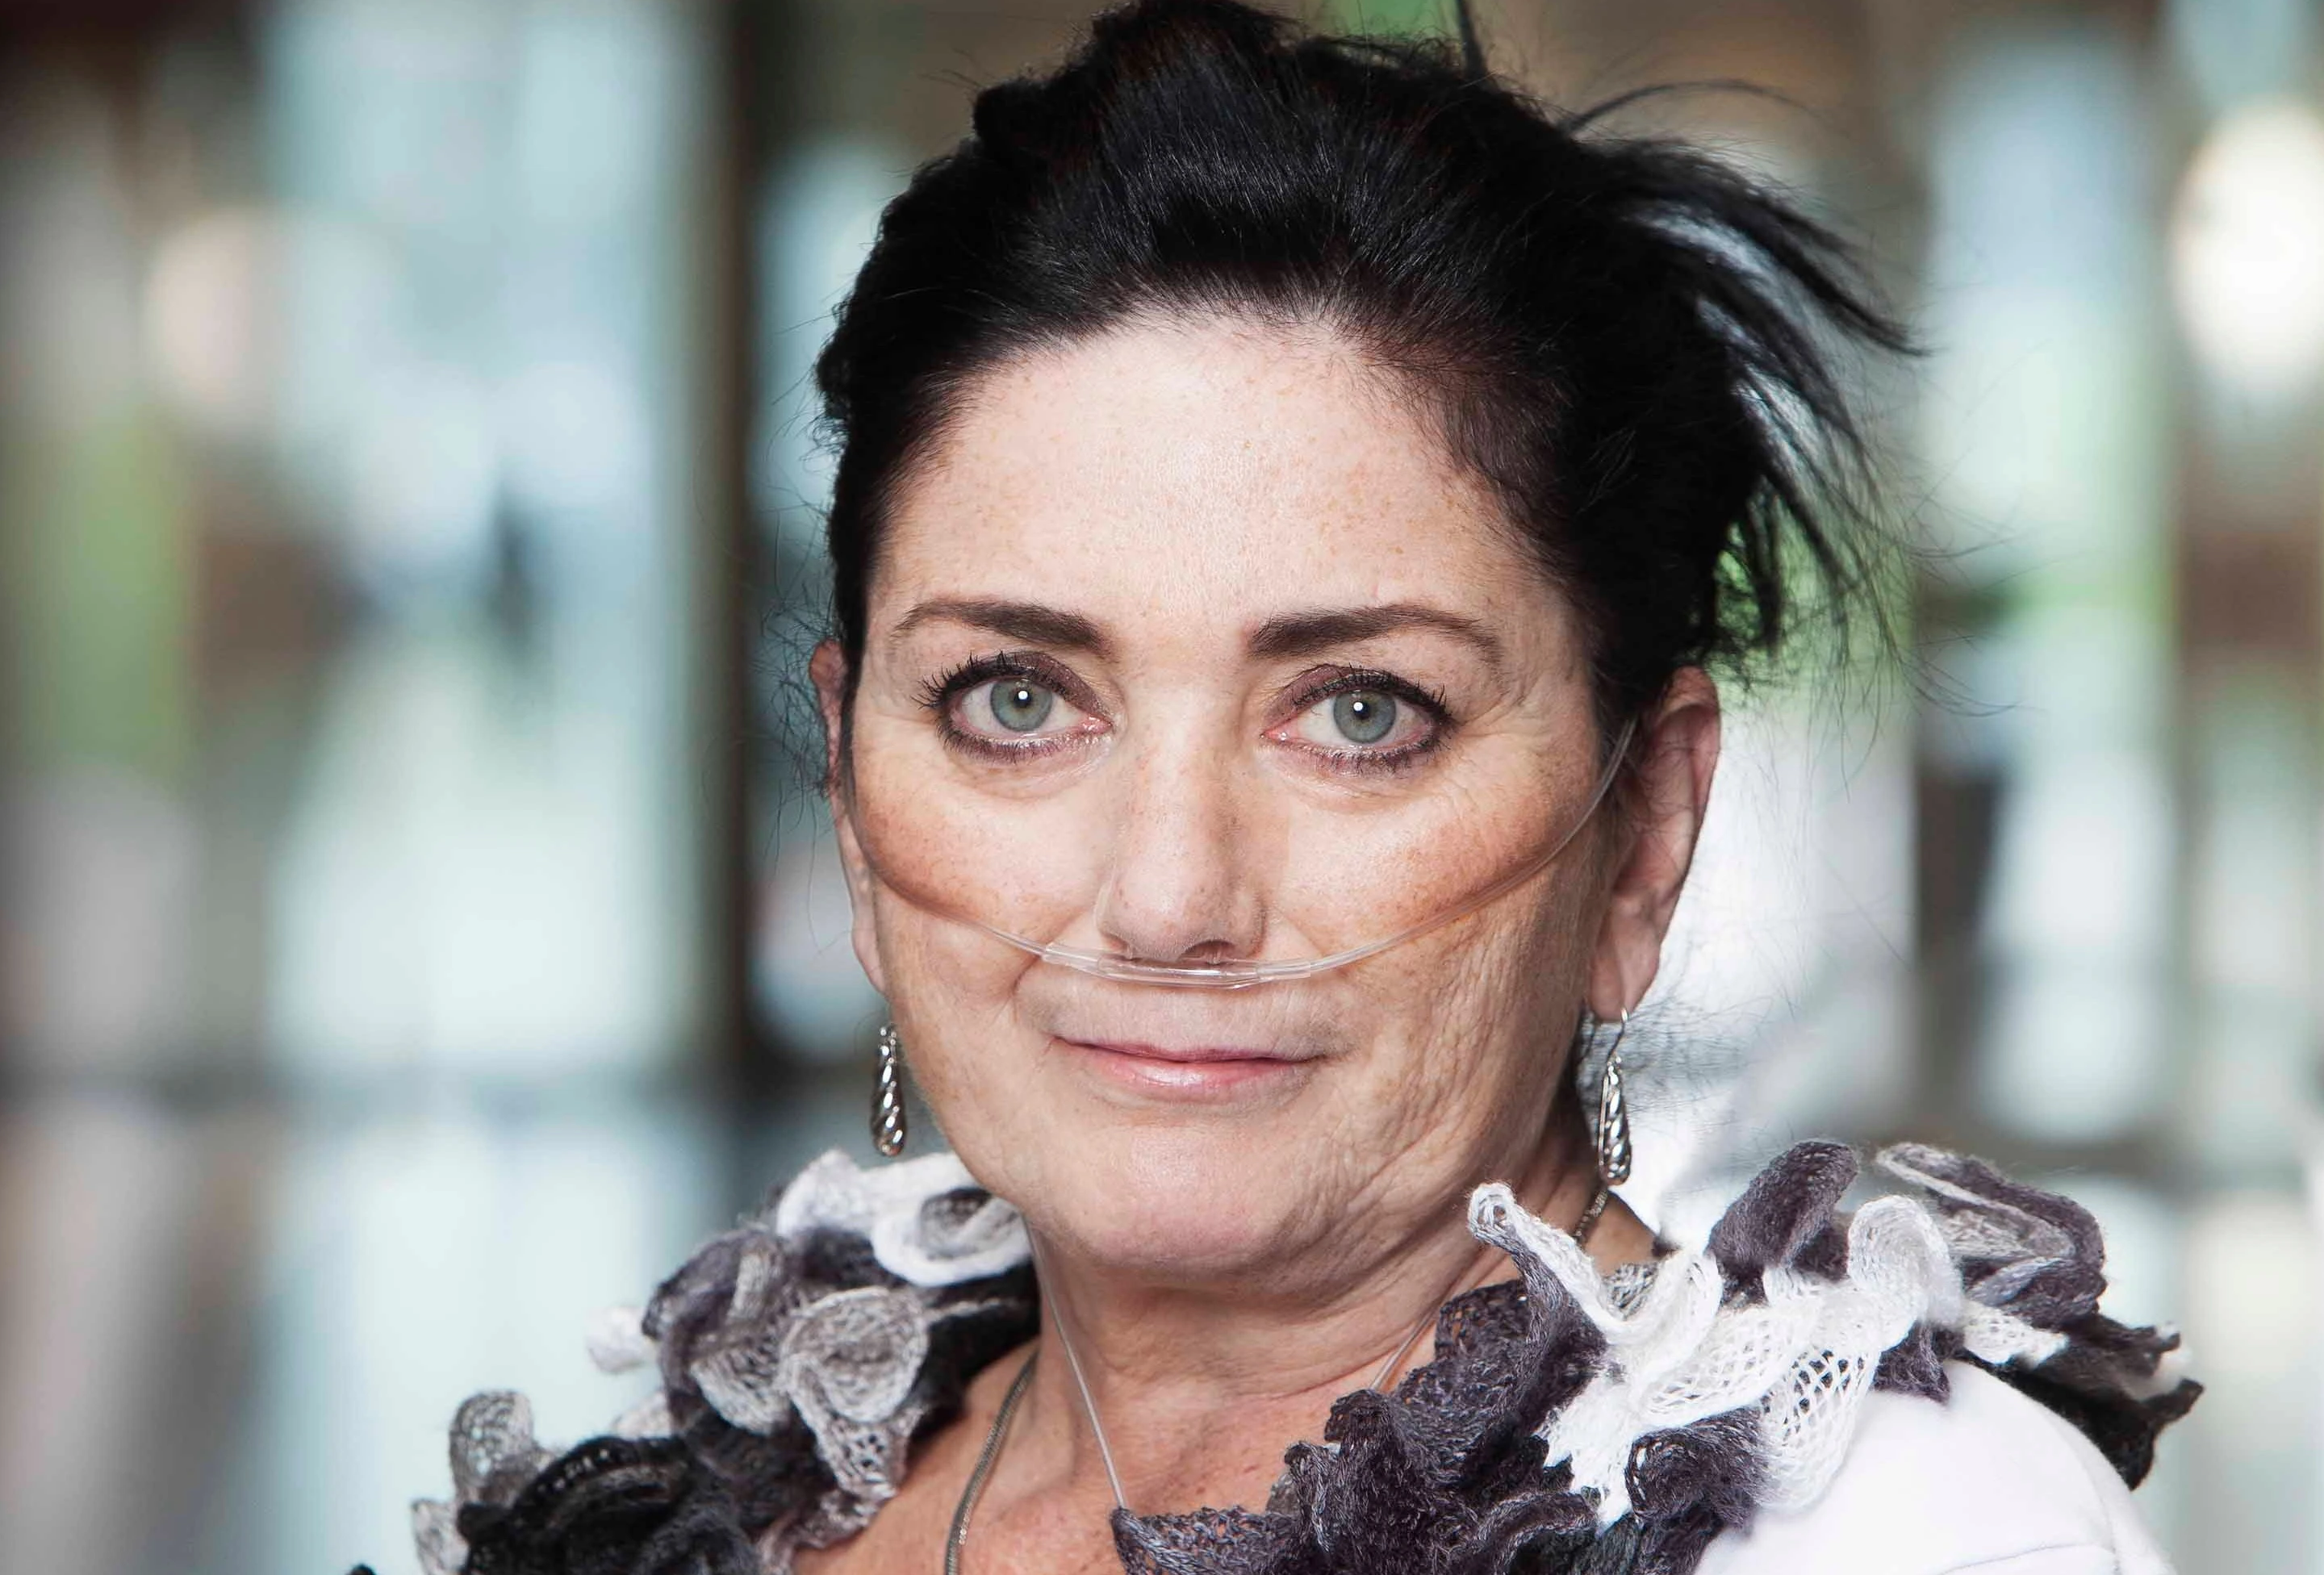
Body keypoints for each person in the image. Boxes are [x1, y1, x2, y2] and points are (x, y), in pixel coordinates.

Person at [395, 4, 2198, 1571]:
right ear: (856, 805)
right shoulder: (724, 1492)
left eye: (1360, 713)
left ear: (1646, 830)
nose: (1170, 897)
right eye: (1018, 699)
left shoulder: (1901, 1533)